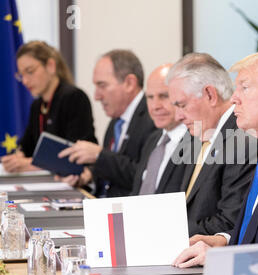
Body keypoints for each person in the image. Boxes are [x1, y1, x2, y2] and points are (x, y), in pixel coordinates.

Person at [173, 51, 258, 268]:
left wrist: (224, 260)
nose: (234, 97)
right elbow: (256, 231)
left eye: (245, 87)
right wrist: (222, 241)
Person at [166, 52, 258, 236]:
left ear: (210, 94)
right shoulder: (194, 134)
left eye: (182, 105)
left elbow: (228, 222)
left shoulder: (243, 140)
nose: (177, 116)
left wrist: (168, 233)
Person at [58, 49, 156, 197]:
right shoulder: (116, 121)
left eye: (102, 85)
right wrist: (87, 177)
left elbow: (146, 177)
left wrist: (99, 155)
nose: (96, 96)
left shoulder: (154, 117)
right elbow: (112, 172)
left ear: (129, 83)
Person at [1, 40, 97, 173]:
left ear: (51, 66)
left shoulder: (74, 97)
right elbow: (26, 146)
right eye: (21, 75)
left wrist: (28, 163)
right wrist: (17, 157)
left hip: (74, 183)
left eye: (30, 71)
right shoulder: (37, 105)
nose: (24, 81)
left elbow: (74, 154)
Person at [130, 63, 190, 195]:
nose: (155, 106)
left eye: (164, 96)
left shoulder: (197, 142)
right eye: (150, 97)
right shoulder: (153, 140)